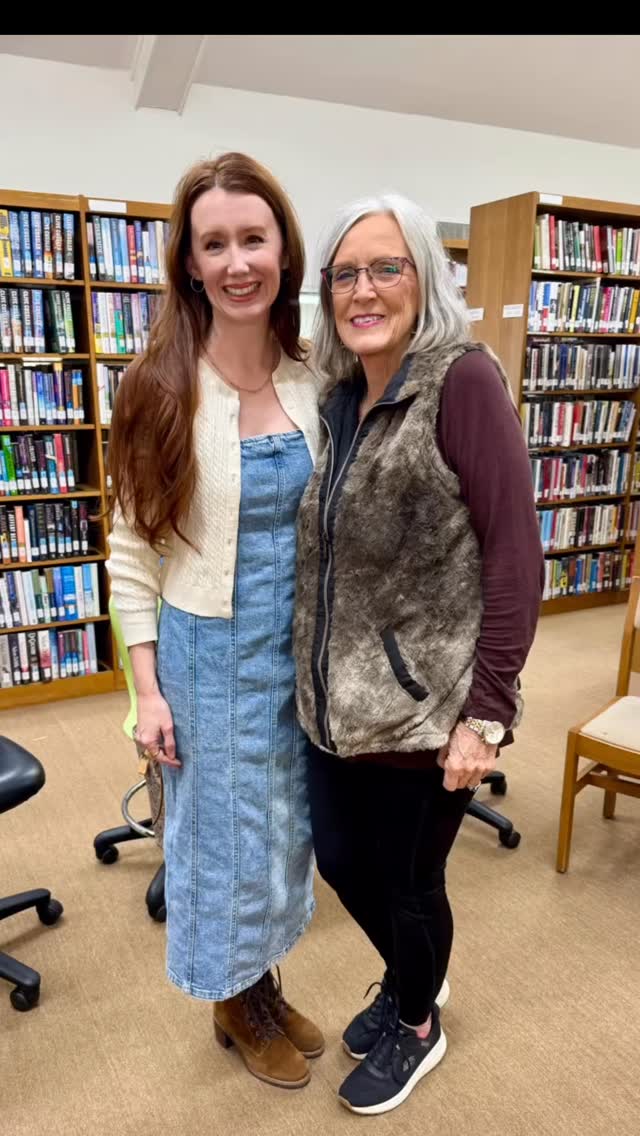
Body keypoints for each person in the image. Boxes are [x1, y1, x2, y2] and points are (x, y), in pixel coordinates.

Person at [293, 194, 543, 1115]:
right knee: (341, 862)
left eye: (385, 267)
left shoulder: (463, 380)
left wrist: (488, 715)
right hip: (332, 703)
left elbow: (515, 553)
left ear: (425, 278)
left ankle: (416, 1021)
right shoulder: (338, 396)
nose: (364, 289)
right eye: (346, 274)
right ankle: (415, 981)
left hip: (427, 707)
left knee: (407, 882)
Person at [106, 152, 324, 1090]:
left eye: (254, 238)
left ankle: (263, 981)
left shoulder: (319, 378)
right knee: (218, 840)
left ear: (283, 248)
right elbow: (129, 551)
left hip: (298, 649)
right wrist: (147, 690)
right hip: (207, 652)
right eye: (215, 244)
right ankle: (231, 1005)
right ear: (189, 264)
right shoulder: (161, 385)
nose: (238, 261)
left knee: (284, 831)